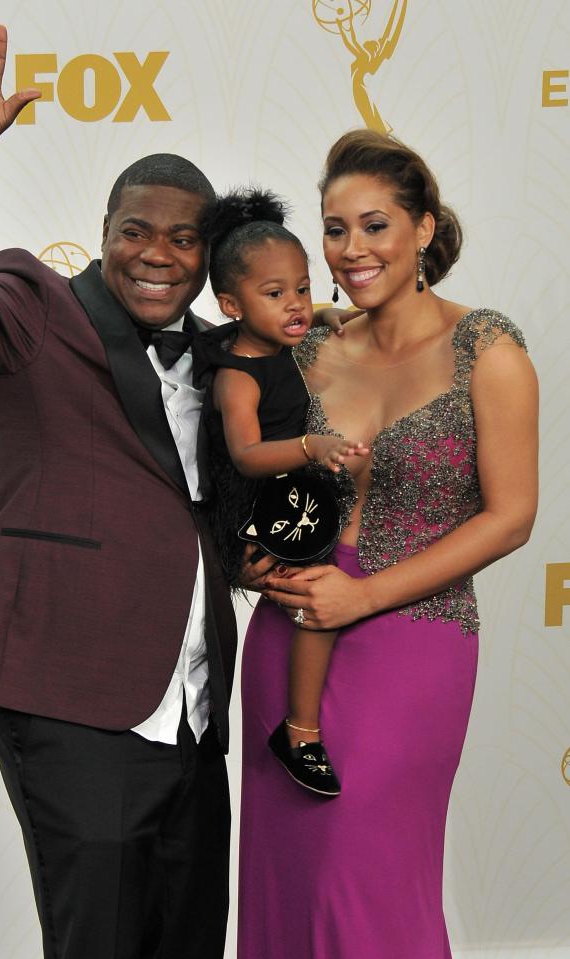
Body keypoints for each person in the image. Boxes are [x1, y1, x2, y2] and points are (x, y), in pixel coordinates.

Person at [0, 14, 238, 959]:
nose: (158, 252)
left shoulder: (223, 360)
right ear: (105, 235)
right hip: (72, 687)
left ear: (209, 257)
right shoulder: (34, 308)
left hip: (197, 708)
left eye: (184, 239)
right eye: (136, 232)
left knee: (187, 938)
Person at [237, 129, 538, 958]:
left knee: (364, 872)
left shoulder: (489, 347)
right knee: (286, 874)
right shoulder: (309, 346)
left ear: (425, 230)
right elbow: (245, 473)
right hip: (290, 635)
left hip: (415, 638)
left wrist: (364, 592)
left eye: (374, 225)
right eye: (335, 229)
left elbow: (512, 516)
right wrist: (250, 557)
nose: (351, 249)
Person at [196, 187, 368, 796]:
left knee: (323, 602)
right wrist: (309, 448)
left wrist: (320, 316)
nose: (295, 304)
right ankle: (299, 731)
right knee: (314, 606)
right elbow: (245, 455)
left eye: (302, 287)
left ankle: (306, 723)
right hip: (253, 515)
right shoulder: (237, 376)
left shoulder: (279, 342)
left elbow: (301, 318)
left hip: (287, 502)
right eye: (276, 295)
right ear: (230, 304)